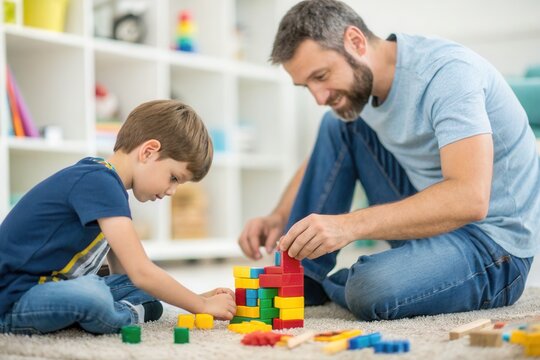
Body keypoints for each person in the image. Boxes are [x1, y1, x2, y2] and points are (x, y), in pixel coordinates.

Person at [238, 0, 540, 321]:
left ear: (355, 42)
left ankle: (335, 283)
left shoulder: (448, 74)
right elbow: (322, 162)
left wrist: (348, 225)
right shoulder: (362, 88)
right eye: (306, 86)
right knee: (337, 123)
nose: (319, 97)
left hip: (494, 249)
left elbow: (470, 199)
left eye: (321, 76)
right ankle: (302, 277)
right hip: (435, 224)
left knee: (369, 288)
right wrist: (278, 216)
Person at [0, 100, 236, 335]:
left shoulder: (109, 185)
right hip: (14, 298)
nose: (171, 191)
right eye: (174, 177)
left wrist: (192, 298)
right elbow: (140, 271)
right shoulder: (99, 182)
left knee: (143, 289)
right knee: (92, 295)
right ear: (148, 152)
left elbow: (125, 276)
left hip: (50, 289)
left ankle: (120, 308)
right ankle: (127, 313)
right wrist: (201, 306)